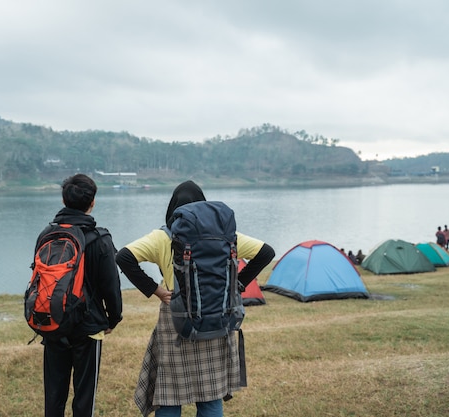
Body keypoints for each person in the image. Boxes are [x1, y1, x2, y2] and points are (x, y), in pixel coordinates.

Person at [115, 180, 275, 417]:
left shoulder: (162, 237)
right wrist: (236, 285)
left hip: (176, 321)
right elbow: (266, 253)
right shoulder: (225, 235)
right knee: (210, 398)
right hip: (217, 318)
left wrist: (156, 291)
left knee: (169, 397)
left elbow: (124, 257)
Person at [34, 174, 123, 417]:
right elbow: (111, 286)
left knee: (54, 394)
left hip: (53, 321)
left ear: (64, 200)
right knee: (84, 397)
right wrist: (113, 319)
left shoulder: (46, 235)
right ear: (92, 202)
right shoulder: (100, 239)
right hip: (88, 327)